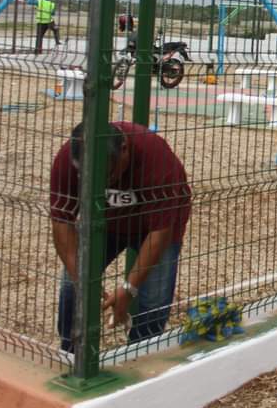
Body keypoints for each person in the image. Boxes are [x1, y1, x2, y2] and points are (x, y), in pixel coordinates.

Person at [50, 121, 191, 351]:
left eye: (108, 176)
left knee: (154, 299)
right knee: (71, 286)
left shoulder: (156, 157)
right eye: (88, 178)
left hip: (155, 229)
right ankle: (71, 353)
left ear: (124, 149)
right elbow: (62, 221)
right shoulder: (68, 158)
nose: (100, 185)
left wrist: (128, 288)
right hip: (104, 224)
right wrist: (81, 280)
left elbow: (159, 233)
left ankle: (142, 355)